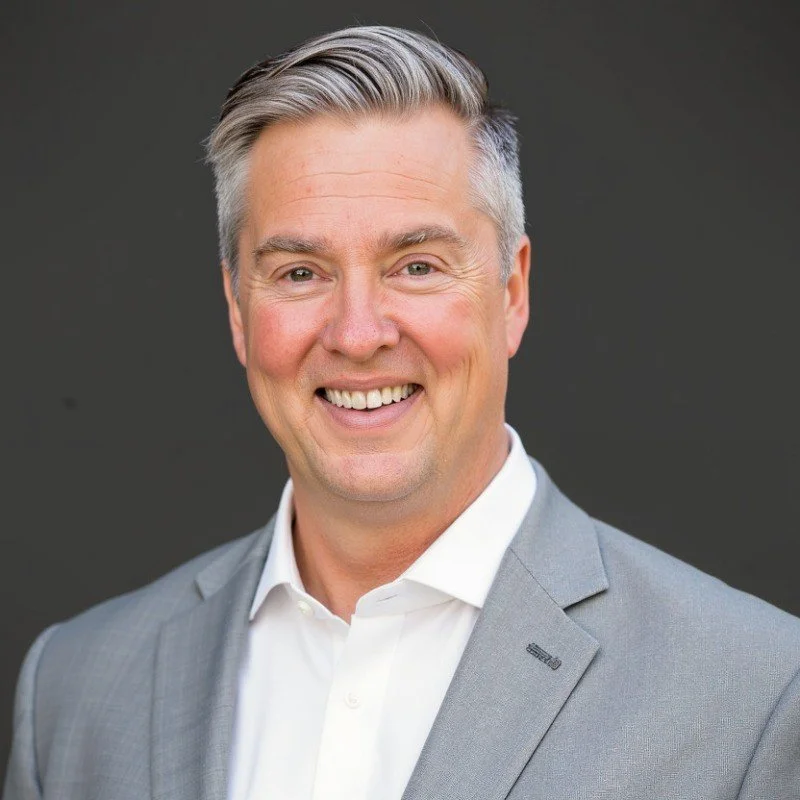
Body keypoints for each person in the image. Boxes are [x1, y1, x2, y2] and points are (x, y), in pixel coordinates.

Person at [4, 25, 800, 800]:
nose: (357, 334)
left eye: (416, 266)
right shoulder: (74, 693)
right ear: (237, 311)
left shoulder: (753, 695)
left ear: (512, 292)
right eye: (299, 272)